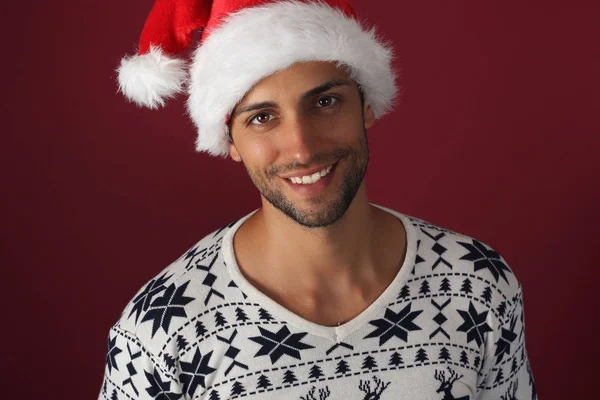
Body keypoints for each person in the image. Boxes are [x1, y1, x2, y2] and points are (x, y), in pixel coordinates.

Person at [100, 0, 537, 399]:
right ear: (229, 139)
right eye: (262, 117)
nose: (302, 148)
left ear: (365, 105)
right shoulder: (160, 330)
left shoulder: (477, 285)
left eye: (325, 101)